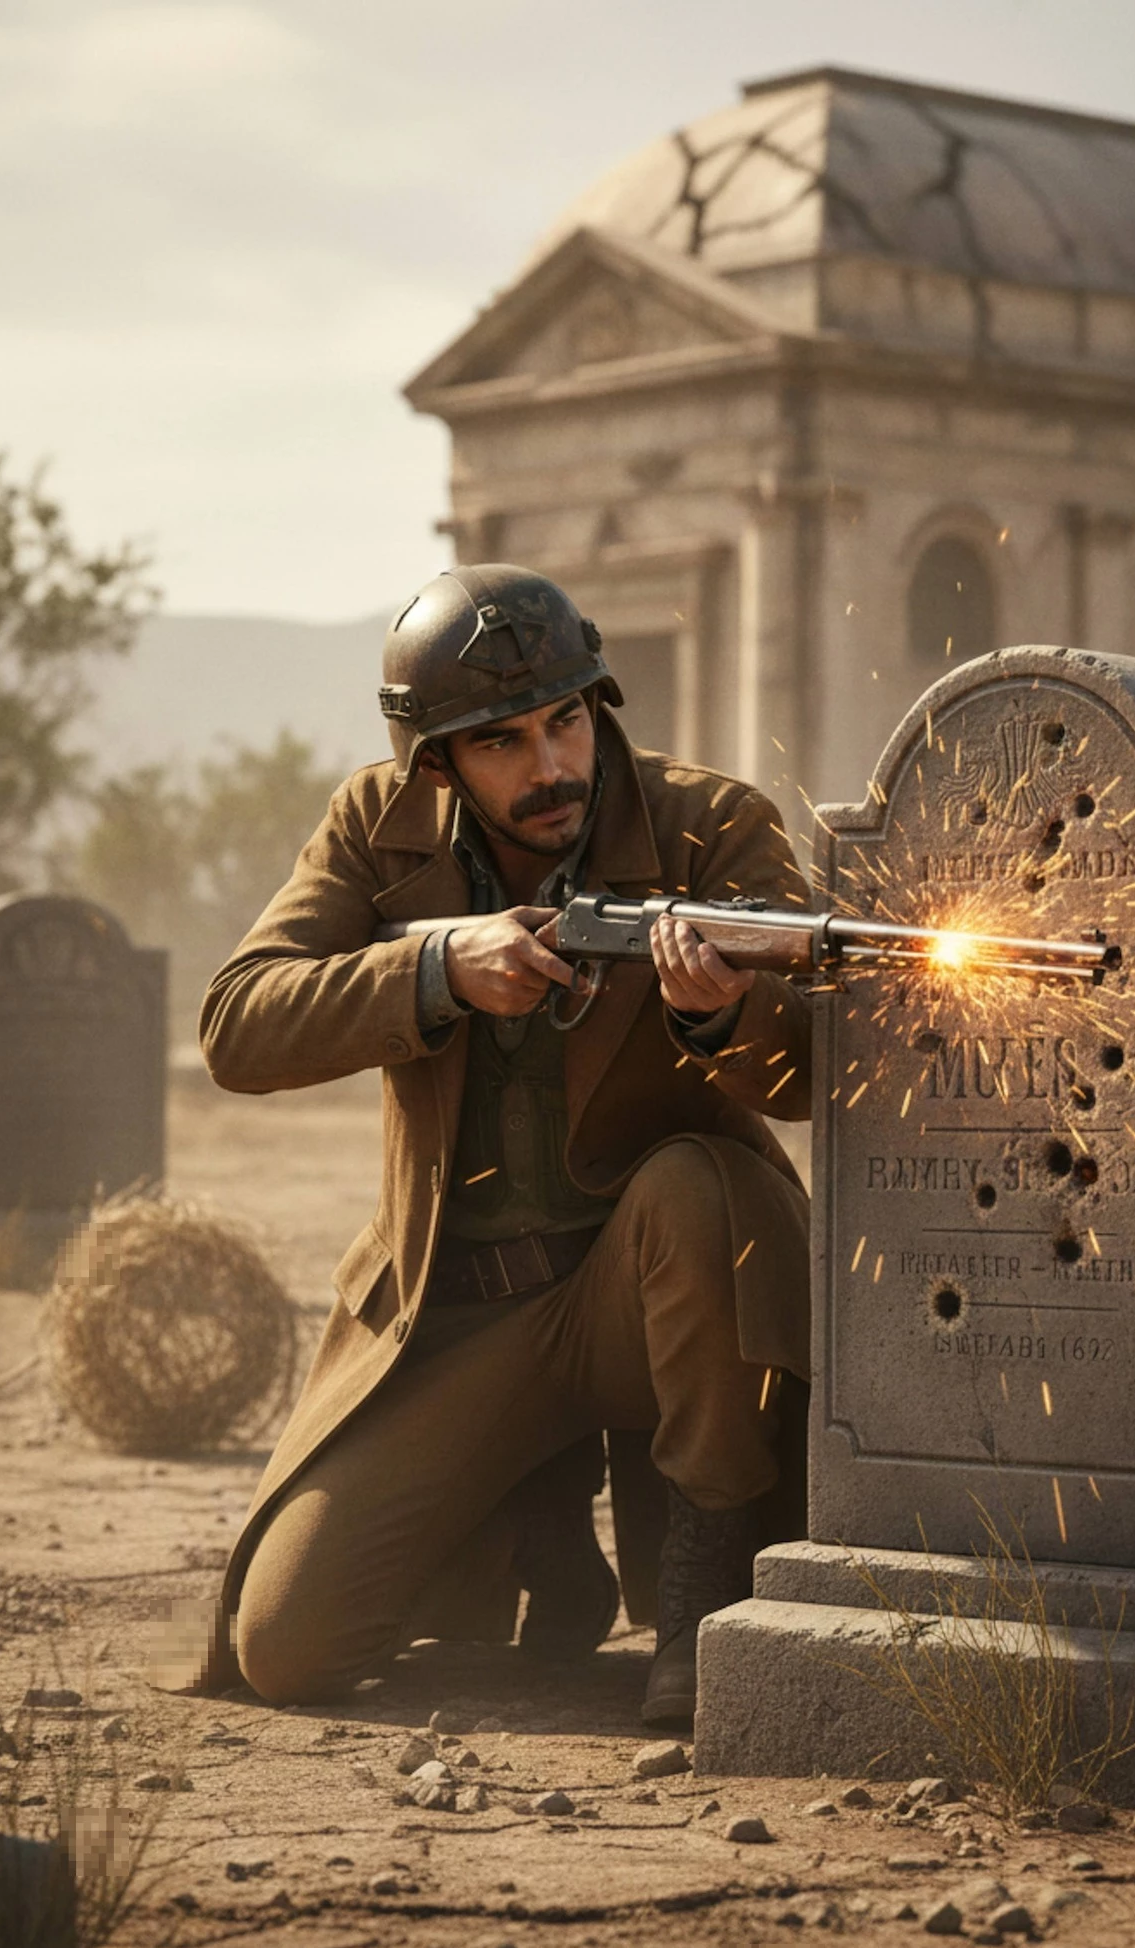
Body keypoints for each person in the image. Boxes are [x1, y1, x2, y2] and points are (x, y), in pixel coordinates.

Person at [192, 562, 812, 1726]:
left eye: (565, 721)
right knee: (289, 1645)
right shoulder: (376, 831)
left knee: (695, 1184)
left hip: (650, 1304)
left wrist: (723, 1012)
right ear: (434, 762)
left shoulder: (708, 824)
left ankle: (704, 1589)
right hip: (457, 1315)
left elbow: (823, 1072)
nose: (550, 766)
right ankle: (532, 1513)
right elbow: (237, 1023)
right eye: (502, 743)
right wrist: (435, 967)